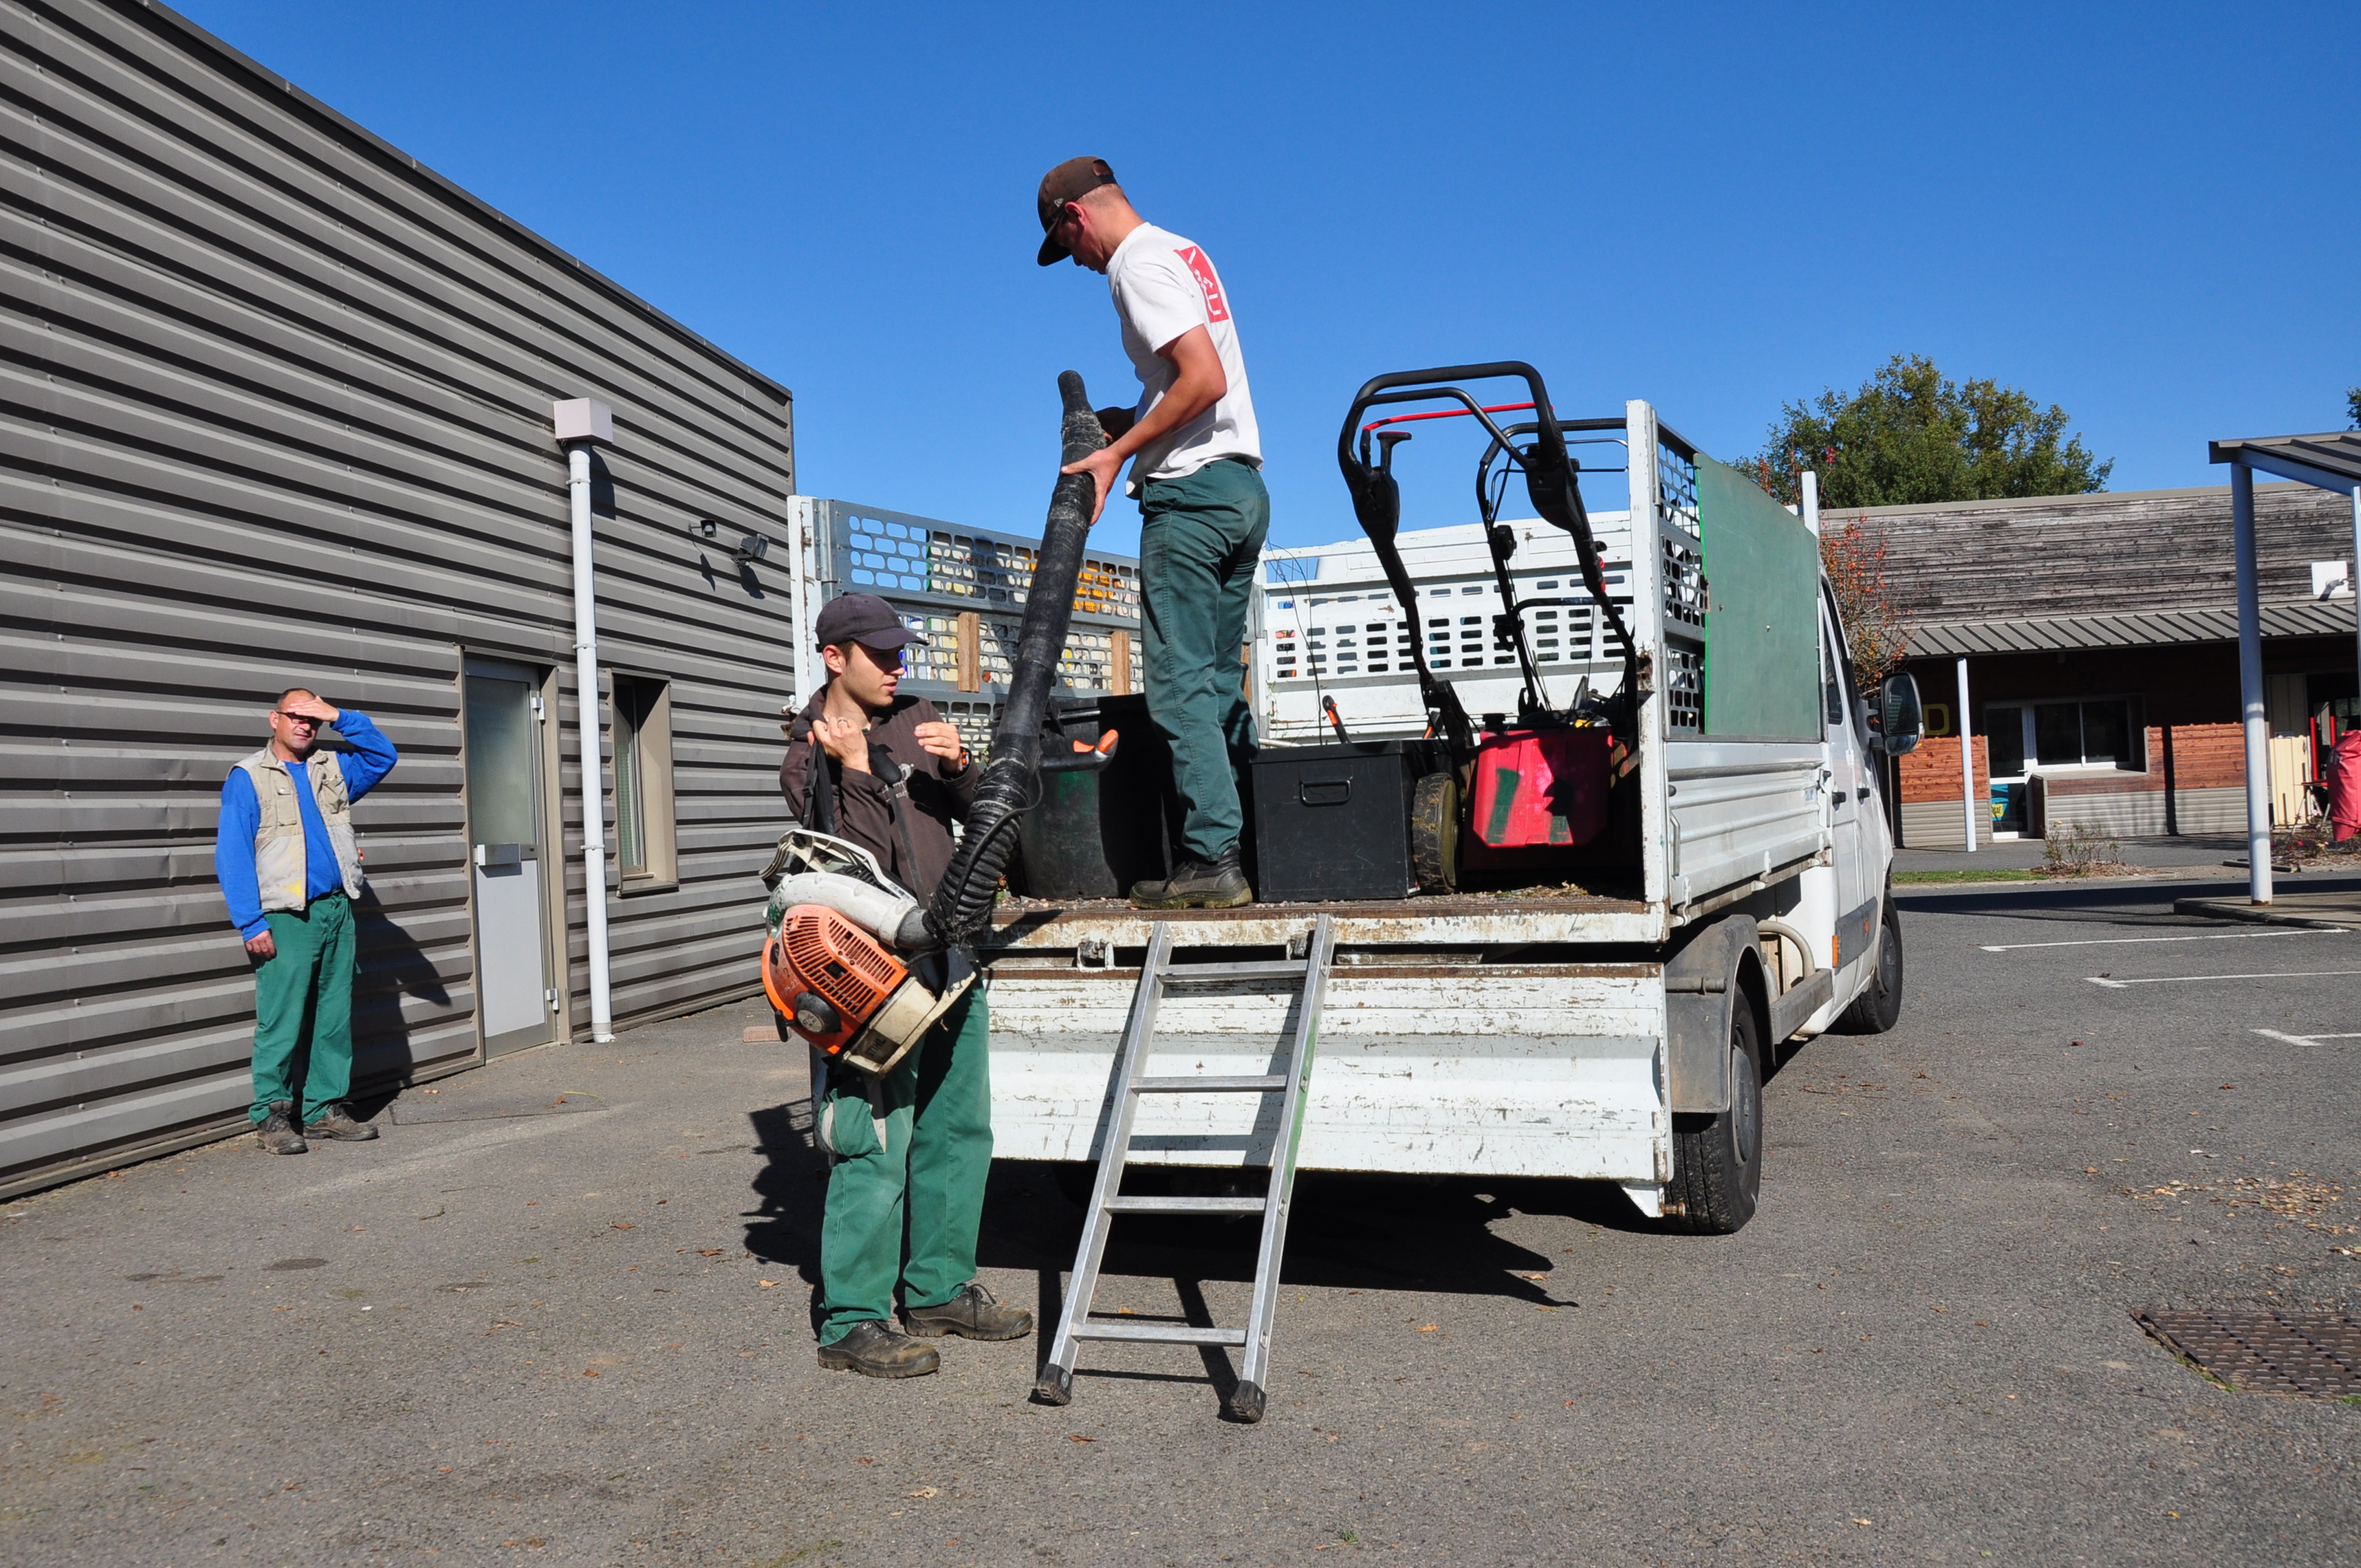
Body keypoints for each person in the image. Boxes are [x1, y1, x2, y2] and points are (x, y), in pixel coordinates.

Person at [777, 592, 1033, 1378]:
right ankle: (852, 1322)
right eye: (883, 655)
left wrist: (960, 772)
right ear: (834, 658)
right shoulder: (808, 750)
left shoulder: (916, 715)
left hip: (952, 960)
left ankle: (938, 1290)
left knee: (959, 1135)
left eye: (902, 652)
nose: (900, 667)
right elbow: (859, 869)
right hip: (870, 981)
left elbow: (984, 827)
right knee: (871, 1143)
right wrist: (854, 771)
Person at [1037, 156, 1265, 910]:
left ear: (1075, 217)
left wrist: (1115, 455)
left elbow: (1203, 378)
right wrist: (1132, 420)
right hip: (1240, 487)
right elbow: (1183, 381)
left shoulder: (1133, 265)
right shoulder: (1181, 250)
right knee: (1215, 681)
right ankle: (1245, 843)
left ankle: (1209, 860)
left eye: (1067, 245)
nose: (1076, 261)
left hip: (1192, 498)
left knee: (1176, 686)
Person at [214, 688, 399, 1155]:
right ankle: (272, 1118)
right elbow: (232, 852)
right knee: (281, 1019)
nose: (305, 725)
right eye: (296, 716)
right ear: (273, 719)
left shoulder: (331, 768)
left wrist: (340, 715)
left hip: (337, 907)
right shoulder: (248, 777)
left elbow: (383, 755)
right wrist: (250, 922)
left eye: (313, 719)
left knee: (333, 1017)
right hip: (286, 915)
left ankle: (323, 1110)